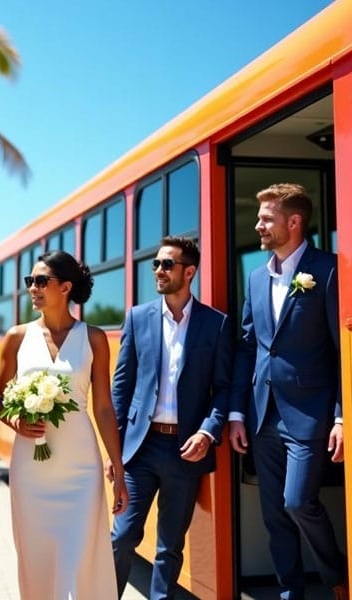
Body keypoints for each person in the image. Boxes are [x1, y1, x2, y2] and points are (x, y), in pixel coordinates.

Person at [229, 183, 348, 600]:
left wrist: (340, 415)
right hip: (262, 414)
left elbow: (341, 348)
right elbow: (248, 347)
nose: (258, 225)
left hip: (310, 413)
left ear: (293, 223)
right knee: (274, 514)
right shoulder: (256, 276)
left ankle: (337, 576)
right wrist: (237, 413)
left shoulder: (329, 269)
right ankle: (289, 593)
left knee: (298, 502)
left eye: (266, 218)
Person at [0, 250, 128, 599]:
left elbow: (103, 408)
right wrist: (16, 420)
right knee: (36, 556)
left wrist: (119, 468)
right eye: (30, 282)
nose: (32, 289)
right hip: (30, 468)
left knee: (78, 557)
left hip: (81, 466)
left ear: (65, 287)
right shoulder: (17, 337)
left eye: (40, 282)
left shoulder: (93, 337)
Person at [109, 236, 232, 599]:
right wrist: (114, 453)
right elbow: (122, 387)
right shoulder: (137, 317)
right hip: (140, 449)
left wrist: (209, 433)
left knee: (169, 547)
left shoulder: (216, 324)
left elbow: (223, 388)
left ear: (189, 271)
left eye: (167, 264)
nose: (159, 271)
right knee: (123, 535)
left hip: (185, 450)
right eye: (156, 264)